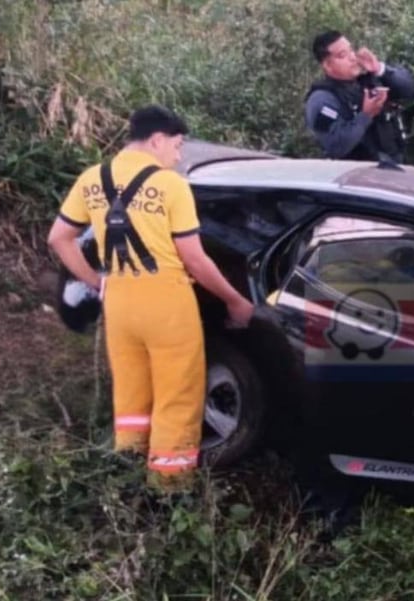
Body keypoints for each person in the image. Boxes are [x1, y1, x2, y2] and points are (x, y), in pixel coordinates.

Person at [46, 105, 254, 491]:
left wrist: (96, 281)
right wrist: (235, 300)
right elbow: (193, 257)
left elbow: (59, 237)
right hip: (167, 303)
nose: (177, 157)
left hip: (120, 302)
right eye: (176, 147)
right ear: (157, 140)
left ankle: (125, 473)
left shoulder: (93, 178)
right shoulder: (171, 185)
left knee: (131, 394)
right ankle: (168, 490)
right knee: (178, 394)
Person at [304, 30, 414, 163]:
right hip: (355, 177)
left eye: (351, 50)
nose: (352, 57)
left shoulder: (369, 81)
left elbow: (411, 89)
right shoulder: (322, 99)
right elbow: (336, 146)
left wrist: (379, 69)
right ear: (328, 65)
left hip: (393, 167)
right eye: (343, 55)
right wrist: (366, 115)